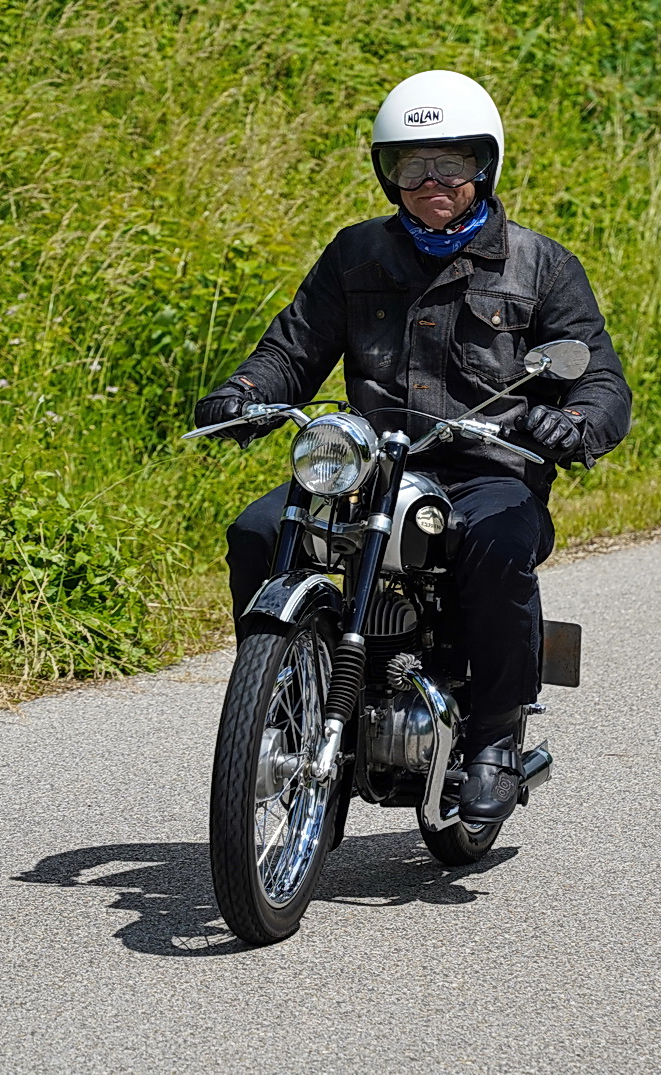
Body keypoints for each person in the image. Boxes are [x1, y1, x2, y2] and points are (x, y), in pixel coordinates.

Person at [194, 70, 631, 822]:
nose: (433, 181)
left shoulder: (540, 264)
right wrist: (244, 392)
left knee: (496, 545)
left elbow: (600, 379)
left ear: (485, 166)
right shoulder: (356, 254)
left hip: (487, 469)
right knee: (257, 531)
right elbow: (292, 349)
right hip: (367, 466)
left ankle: (493, 737)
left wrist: (576, 423)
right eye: (411, 164)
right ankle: (283, 704)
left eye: (453, 163)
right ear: (387, 172)